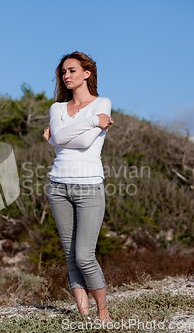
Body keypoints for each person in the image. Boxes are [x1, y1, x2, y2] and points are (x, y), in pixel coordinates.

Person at [44, 51, 113, 322]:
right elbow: (63, 137)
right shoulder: (57, 108)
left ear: (87, 73)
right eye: (63, 72)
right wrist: (92, 122)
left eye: (72, 70)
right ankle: (84, 316)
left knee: (85, 255)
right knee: (70, 255)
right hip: (58, 186)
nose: (66, 76)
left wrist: (56, 139)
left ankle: (103, 314)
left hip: (89, 187)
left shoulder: (103, 102)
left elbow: (82, 143)